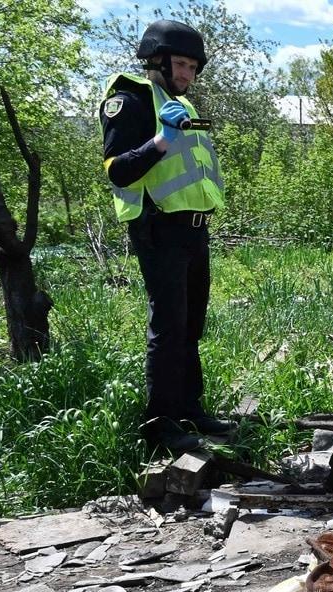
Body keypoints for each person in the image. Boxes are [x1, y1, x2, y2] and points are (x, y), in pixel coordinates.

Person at [100, 20, 228, 453]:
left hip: (194, 229)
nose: (188, 74)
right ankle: (160, 424)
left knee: (191, 325)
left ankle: (190, 409)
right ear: (157, 59)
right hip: (159, 228)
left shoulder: (180, 104)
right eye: (181, 64)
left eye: (193, 67)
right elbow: (117, 170)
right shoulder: (130, 100)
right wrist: (160, 140)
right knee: (168, 328)